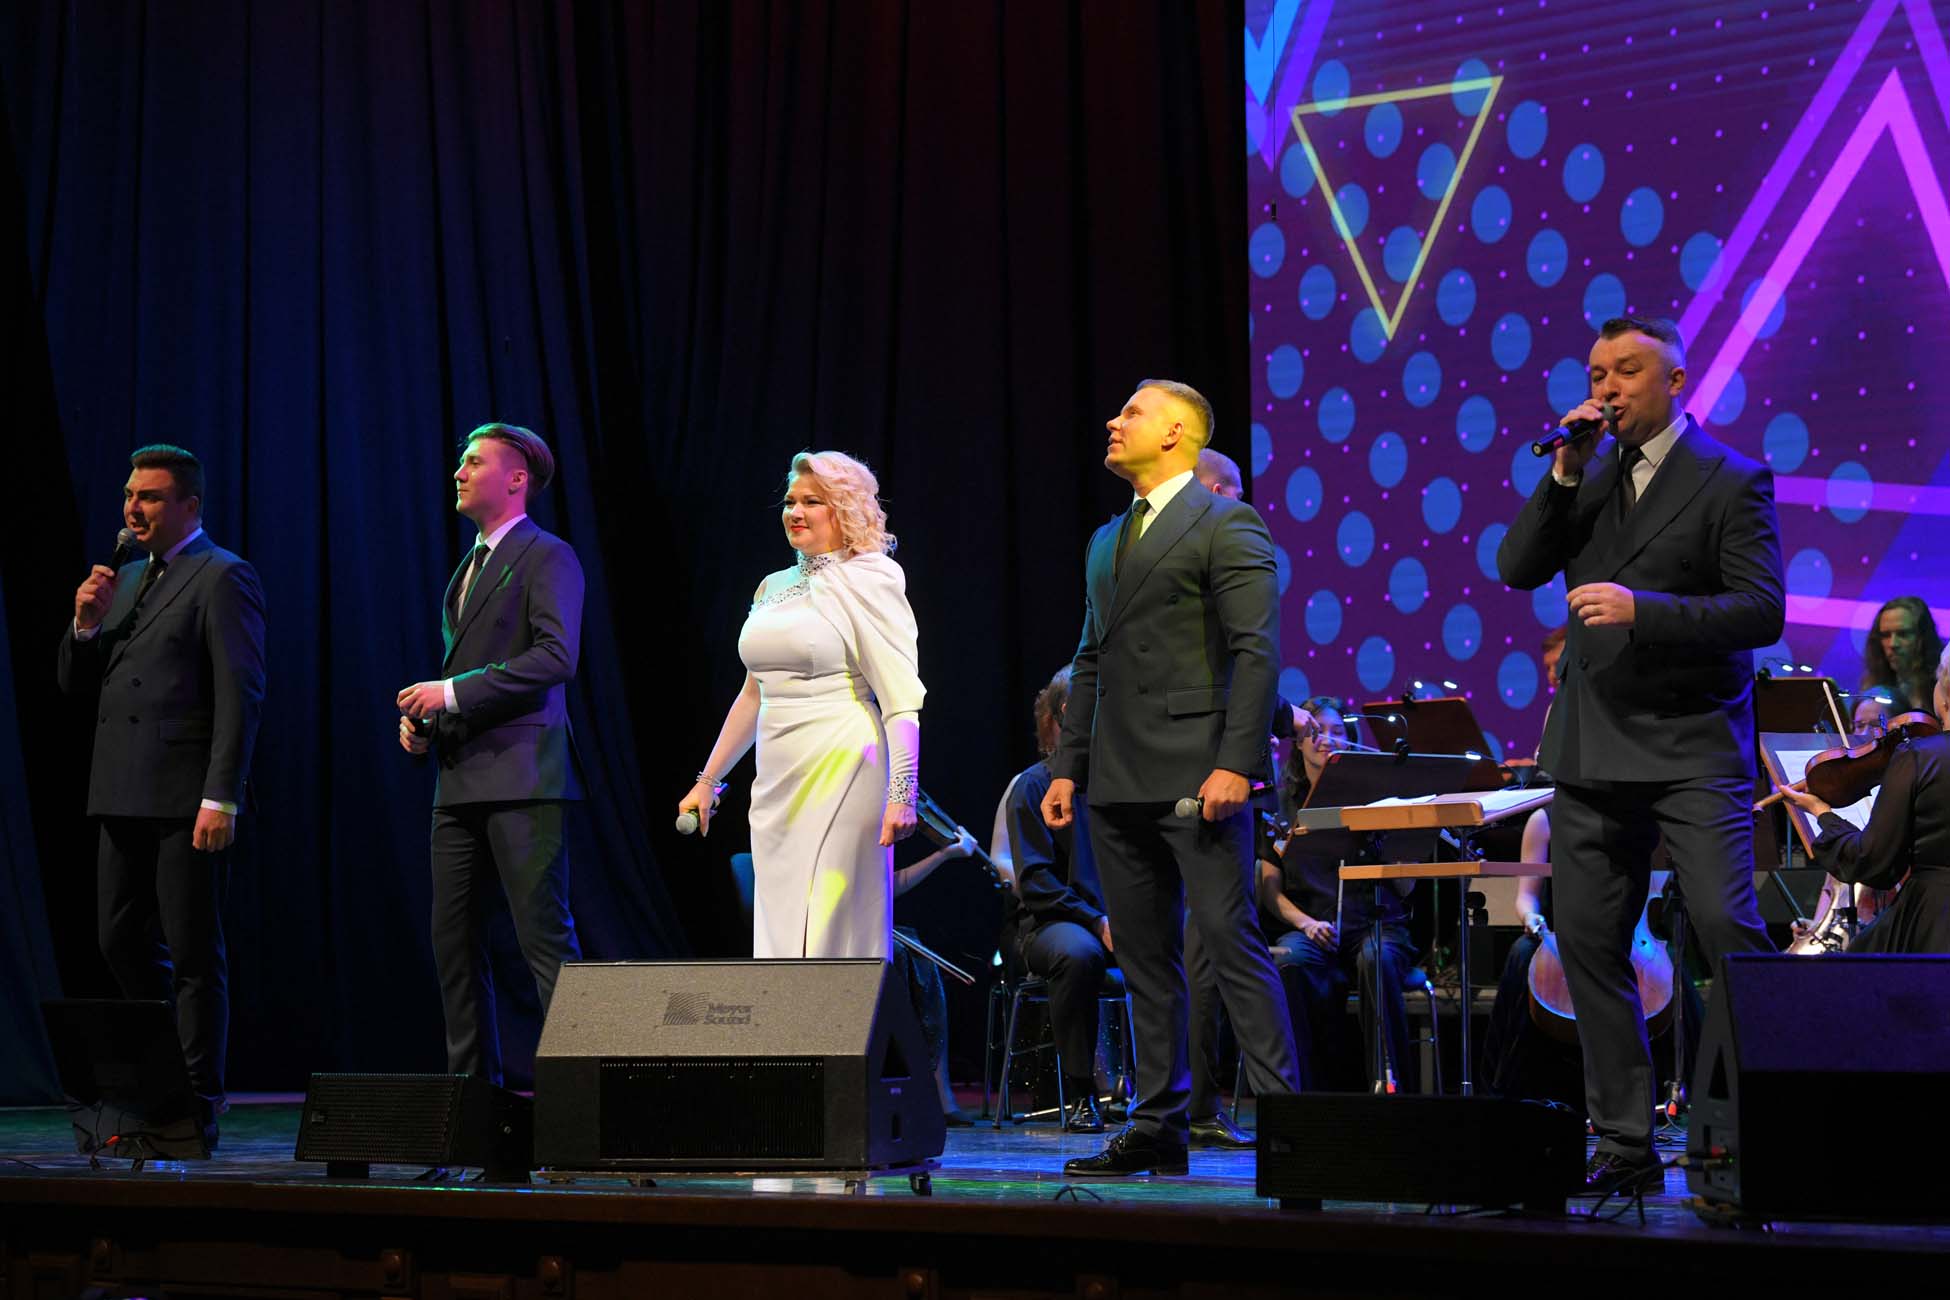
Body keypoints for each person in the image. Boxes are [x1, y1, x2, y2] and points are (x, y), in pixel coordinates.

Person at [1496, 315, 1783, 1197]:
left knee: (1726, 923)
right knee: (1589, 942)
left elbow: (1762, 610)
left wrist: (1643, 610)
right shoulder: (1584, 478)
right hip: (1592, 746)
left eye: (1625, 371)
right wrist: (1561, 475)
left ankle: (1768, 1120)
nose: (1607, 388)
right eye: (1596, 373)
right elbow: (1516, 566)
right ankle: (1625, 1143)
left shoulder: (1731, 477)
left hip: (1693, 743)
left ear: (1675, 381)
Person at [1044, 379, 1300, 1177]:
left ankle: (1292, 1129)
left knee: (1229, 941)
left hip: (1199, 770)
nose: (1113, 421)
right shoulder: (1105, 540)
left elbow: (1256, 652)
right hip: (1118, 776)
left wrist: (1236, 763)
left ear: (1175, 433)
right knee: (1147, 959)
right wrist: (1068, 768)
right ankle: (1159, 1125)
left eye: (1132, 412)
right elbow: (1091, 657)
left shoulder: (1226, 521)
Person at [59, 444, 266, 1145]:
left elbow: (241, 694)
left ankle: (197, 1102)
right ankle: (161, 1080)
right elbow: (75, 685)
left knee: (193, 952)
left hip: (184, 794)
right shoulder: (125, 578)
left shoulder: (222, 575)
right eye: (129, 495)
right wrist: (85, 624)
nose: (132, 508)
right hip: (120, 787)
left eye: (148, 496)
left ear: (189, 505)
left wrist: (221, 795)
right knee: (117, 937)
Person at [397, 423, 585, 1085]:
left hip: (524, 778)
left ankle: (584, 1103)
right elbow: (472, 672)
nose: (459, 472)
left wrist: (449, 692)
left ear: (517, 479)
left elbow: (556, 656)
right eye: (461, 462)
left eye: (475, 462)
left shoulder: (547, 555)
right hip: (459, 783)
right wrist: (429, 724)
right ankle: (472, 1104)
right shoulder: (466, 569)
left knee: (544, 942)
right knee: (453, 947)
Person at [679, 450, 921, 960]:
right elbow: (753, 693)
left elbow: (900, 697)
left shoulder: (872, 578)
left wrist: (902, 791)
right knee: (781, 927)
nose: (795, 512)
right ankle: (786, 1015)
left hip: (846, 763)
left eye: (812, 501)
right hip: (777, 775)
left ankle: (842, 1013)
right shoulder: (773, 586)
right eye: (791, 501)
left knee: (833, 924)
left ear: (844, 509)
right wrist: (708, 780)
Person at [1258, 698, 1420, 1091]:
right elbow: (1269, 890)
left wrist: (1397, 840)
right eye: (1316, 731)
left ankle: (1389, 1089)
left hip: (1374, 924)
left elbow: (1406, 886)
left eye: (1338, 732)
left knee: (1376, 960)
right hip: (1314, 926)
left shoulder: (1376, 800)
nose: (1326, 740)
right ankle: (1304, 1095)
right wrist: (1306, 924)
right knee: (1290, 962)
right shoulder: (1280, 804)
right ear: (1298, 742)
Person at [998, 666, 1115, 1133]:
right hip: (1049, 926)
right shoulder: (1032, 787)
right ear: (1070, 712)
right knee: (1079, 953)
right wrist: (1097, 920)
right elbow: (1037, 884)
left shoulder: (1119, 783)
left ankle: (1177, 1098)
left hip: (1113, 920)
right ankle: (1084, 1094)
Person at [1778, 645, 1950, 953]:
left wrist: (1823, 814)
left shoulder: (1918, 757)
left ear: (1946, 695)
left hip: (1935, 917)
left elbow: (1872, 862)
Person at [1859, 596, 1945, 718]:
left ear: (1923, 637)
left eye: (1903, 634)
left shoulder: (1944, 686)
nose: (1893, 643)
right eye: (1885, 635)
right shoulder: (1874, 689)